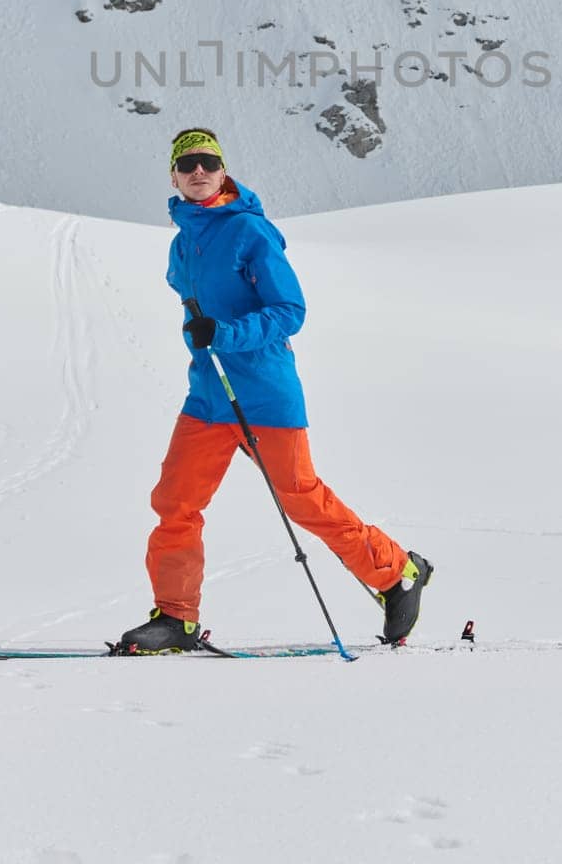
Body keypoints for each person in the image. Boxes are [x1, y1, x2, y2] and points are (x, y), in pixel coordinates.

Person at [118, 127, 432, 653]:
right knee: (175, 502)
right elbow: (194, 306)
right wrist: (203, 338)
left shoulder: (250, 232)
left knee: (302, 499)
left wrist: (225, 334)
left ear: (223, 173)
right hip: (210, 396)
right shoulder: (182, 243)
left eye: (209, 163)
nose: (199, 171)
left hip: (265, 392)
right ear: (173, 176)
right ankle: (176, 618)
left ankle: (396, 570)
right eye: (188, 163)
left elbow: (290, 311)